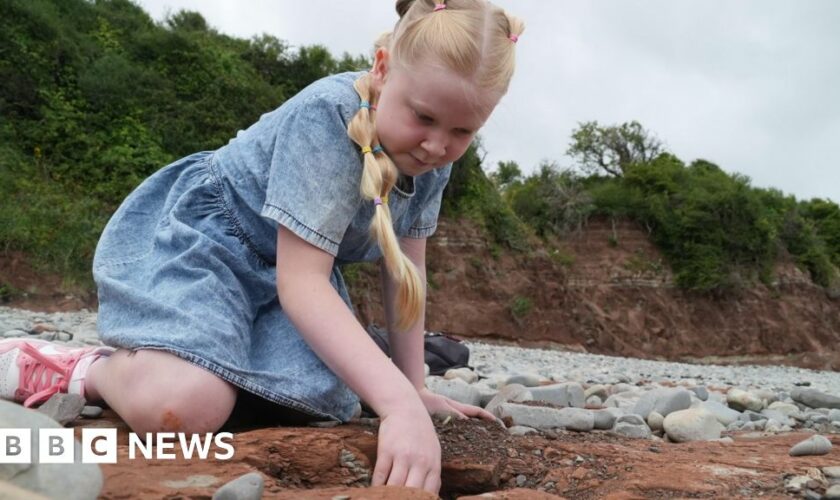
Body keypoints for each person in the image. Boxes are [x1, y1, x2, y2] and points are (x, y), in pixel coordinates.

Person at [0, 0, 523, 493]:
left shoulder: (433, 159)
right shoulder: (328, 118)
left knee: (326, 400)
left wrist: (413, 391)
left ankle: (196, 355)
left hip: (281, 279)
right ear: (383, 68)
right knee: (184, 408)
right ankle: (80, 368)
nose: (437, 145)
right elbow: (302, 283)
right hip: (207, 245)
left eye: (462, 131)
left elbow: (405, 270)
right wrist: (397, 408)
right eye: (424, 118)